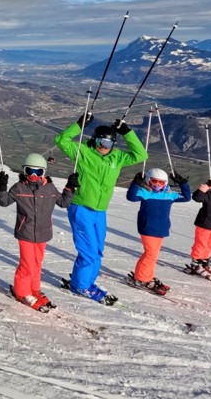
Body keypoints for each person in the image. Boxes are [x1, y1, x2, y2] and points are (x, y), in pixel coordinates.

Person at [54, 114, 147, 304]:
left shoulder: (117, 157)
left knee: (97, 250)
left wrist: (127, 132)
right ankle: (80, 285)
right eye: (101, 141)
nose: (104, 146)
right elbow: (61, 140)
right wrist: (79, 126)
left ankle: (87, 280)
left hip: (100, 211)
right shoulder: (83, 152)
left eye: (109, 142)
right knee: (88, 251)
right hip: (81, 207)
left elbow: (141, 154)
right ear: (94, 139)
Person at [0, 153, 75, 311]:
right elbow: (4, 202)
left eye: (37, 172)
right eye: (29, 171)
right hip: (25, 232)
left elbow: (64, 203)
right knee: (27, 265)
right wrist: (2, 187)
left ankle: (34, 289)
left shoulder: (50, 188)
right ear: (24, 171)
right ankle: (22, 292)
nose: (33, 175)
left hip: (43, 233)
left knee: (37, 264)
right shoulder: (19, 187)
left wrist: (70, 187)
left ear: (43, 172)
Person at [125, 168, 192, 294]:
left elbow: (187, 197)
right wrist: (135, 183)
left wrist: (183, 183)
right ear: (148, 181)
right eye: (154, 181)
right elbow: (131, 197)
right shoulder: (145, 193)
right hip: (148, 228)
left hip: (161, 229)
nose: (157, 185)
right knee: (150, 254)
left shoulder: (169, 195)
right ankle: (141, 277)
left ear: (165, 183)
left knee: (153, 255)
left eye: (161, 182)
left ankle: (147, 275)